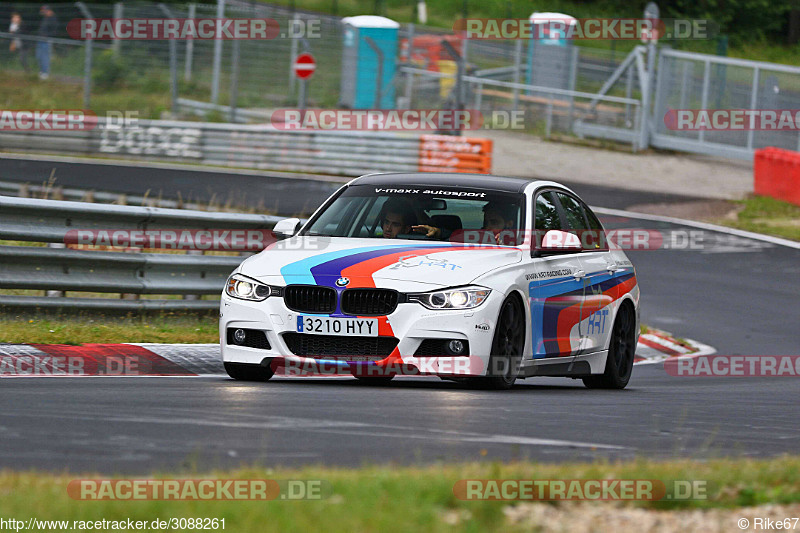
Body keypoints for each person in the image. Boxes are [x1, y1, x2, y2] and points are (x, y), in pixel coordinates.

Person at [412, 201, 518, 242]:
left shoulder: (520, 244)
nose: (487, 227)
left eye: (494, 222)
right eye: (485, 223)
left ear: (509, 224)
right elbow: (456, 236)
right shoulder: (478, 237)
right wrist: (437, 232)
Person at [36, 5, 58, 80]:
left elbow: (54, 32)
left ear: (48, 10)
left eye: (44, 11)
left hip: (46, 41)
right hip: (40, 39)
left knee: (45, 57)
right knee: (38, 56)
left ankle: (45, 73)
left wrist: (47, 36)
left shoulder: (53, 19)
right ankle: (42, 71)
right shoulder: (45, 18)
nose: (43, 13)